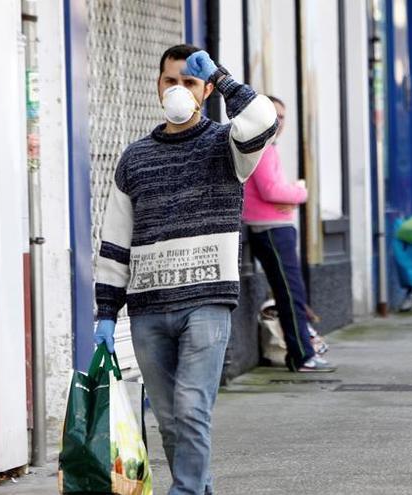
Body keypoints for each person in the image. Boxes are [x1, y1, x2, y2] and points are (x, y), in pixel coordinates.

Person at [92, 44, 278, 494]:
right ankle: (197, 488)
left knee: (193, 408)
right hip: (148, 308)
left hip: (206, 303)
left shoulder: (227, 146)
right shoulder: (133, 159)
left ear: (205, 89)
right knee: (172, 421)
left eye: (190, 82)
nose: (178, 90)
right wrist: (105, 313)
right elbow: (115, 239)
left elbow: (263, 120)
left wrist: (224, 79)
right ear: (158, 86)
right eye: (170, 81)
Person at [243, 96, 335, 372]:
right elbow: (272, 191)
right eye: (274, 116)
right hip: (271, 229)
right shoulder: (261, 148)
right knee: (290, 292)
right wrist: (300, 192)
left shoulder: (265, 147)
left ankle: (303, 352)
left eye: (283, 117)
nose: (279, 122)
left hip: (274, 226)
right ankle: (302, 356)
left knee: (290, 291)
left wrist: (288, 195)